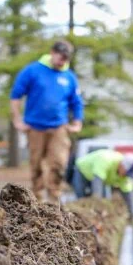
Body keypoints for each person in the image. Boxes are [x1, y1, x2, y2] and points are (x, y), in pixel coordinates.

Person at [10, 40, 85, 203]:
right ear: (52, 52)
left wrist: (78, 121)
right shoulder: (33, 70)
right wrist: (17, 119)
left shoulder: (69, 77)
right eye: (60, 57)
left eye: (66, 59)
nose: (62, 61)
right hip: (35, 126)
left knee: (59, 163)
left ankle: (54, 200)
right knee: (36, 165)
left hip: (59, 126)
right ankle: (37, 199)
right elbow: (16, 96)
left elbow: (77, 102)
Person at [73, 145, 133, 219]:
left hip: (101, 177)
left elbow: (129, 196)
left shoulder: (125, 176)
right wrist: (96, 205)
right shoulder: (106, 160)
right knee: (81, 194)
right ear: (122, 165)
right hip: (83, 170)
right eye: (126, 172)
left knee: (104, 200)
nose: (126, 176)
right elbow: (97, 186)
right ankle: (81, 217)